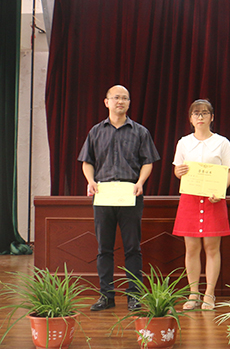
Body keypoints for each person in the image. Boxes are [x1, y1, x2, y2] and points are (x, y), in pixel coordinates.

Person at [78, 85, 160, 312]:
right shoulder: (96, 131)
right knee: (104, 248)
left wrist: (140, 182)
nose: (120, 101)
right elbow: (87, 161)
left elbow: (148, 162)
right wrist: (90, 181)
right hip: (103, 195)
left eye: (125, 98)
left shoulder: (140, 132)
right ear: (107, 102)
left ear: (129, 103)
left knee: (132, 248)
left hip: (130, 195)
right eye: (116, 98)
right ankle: (106, 296)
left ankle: (134, 296)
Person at [173, 99, 230, 311]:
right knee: (191, 248)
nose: (200, 117)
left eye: (204, 113)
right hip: (190, 200)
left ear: (212, 117)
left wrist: (221, 191)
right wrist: (178, 171)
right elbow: (178, 170)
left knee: (212, 248)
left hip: (213, 200)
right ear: (190, 119)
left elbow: (229, 170)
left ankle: (209, 293)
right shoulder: (183, 143)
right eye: (196, 113)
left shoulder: (222, 142)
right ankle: (193, 293)